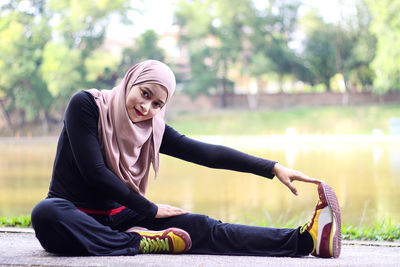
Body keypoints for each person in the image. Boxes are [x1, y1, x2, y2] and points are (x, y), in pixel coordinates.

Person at [31, 60, 341, 258]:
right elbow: (95, 172)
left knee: (202, 226)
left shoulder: (151, 128)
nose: (147, 108)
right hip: (72, 216)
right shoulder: (85, 105)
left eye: (157, 104)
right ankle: (141, 243)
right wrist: (149, 209)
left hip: (122, 217)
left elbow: (206, 153)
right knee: (46, 213)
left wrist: (272, 167)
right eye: (145, 93)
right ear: (131, 81)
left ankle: (305, 241)